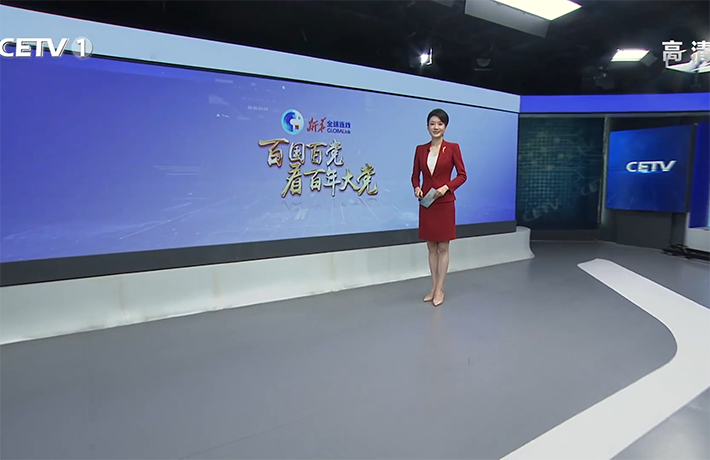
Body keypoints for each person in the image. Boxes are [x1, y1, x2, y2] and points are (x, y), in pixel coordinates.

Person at [411, 108, 467, 307]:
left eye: (440, 124)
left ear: (445, 127)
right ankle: (433, 287)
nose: (436, 127)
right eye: (432, 123)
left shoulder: (453, 148)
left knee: (443, 246)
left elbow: (462, 175)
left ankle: (440, 288)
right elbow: (415, 175)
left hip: (444, 203)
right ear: (427, 127)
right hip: (427, 203)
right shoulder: (420, 149)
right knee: (431, 247)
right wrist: (417, 188)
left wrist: (446, 187)